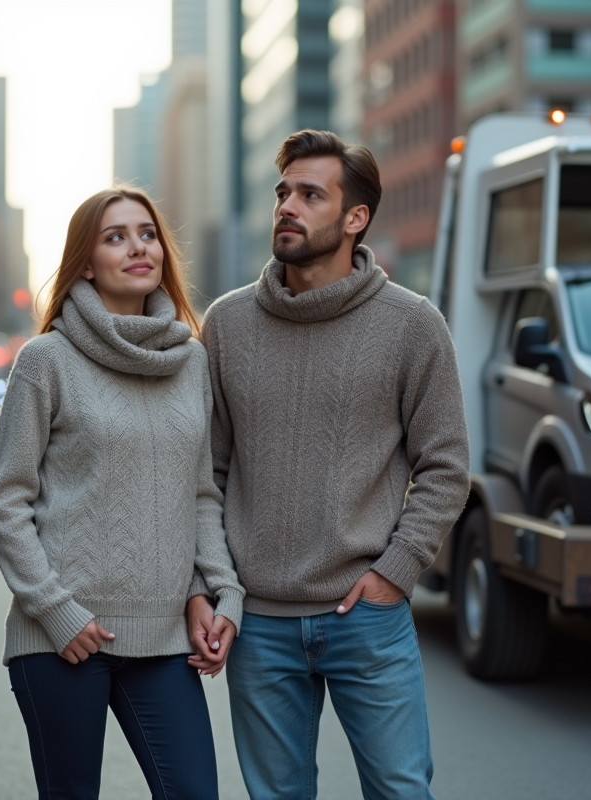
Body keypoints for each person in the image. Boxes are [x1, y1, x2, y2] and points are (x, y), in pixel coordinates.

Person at [189, 130, 471, 799]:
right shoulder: (226, 325)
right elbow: (206, 475)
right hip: (257, 622)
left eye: (310, 194)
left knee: (401, 791)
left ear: (355, 218)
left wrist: (394, 574)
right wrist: (217, 585)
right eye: (283, 191)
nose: (287, 205)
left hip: (366, 615)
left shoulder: (412, 324)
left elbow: (446, 465)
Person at [0, 187, 244, 800]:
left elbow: (199, 493)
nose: (138, 247)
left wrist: (219, 589)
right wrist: (55, 610)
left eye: (147, 233)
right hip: (63, 639)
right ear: (84, 262)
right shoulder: (46, 360)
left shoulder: (192, 362)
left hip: (162, 640)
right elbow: (6, 502)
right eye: (116, 236)